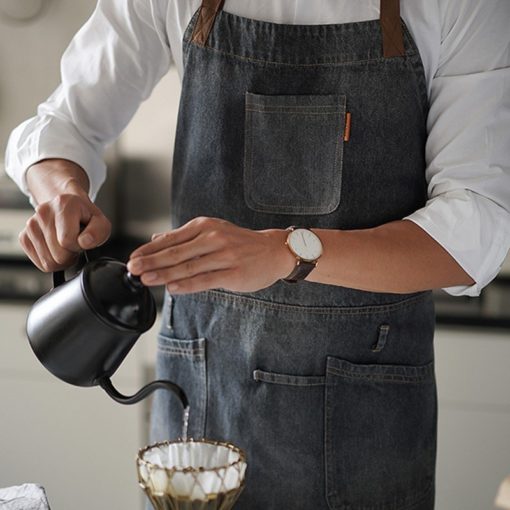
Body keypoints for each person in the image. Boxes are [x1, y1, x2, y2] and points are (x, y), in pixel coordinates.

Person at [6, 0, 510, 508]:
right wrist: (61, 190)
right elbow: (65, 123)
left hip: (370, 408)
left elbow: (475, 229)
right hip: (202, 389)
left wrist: (287, 251)